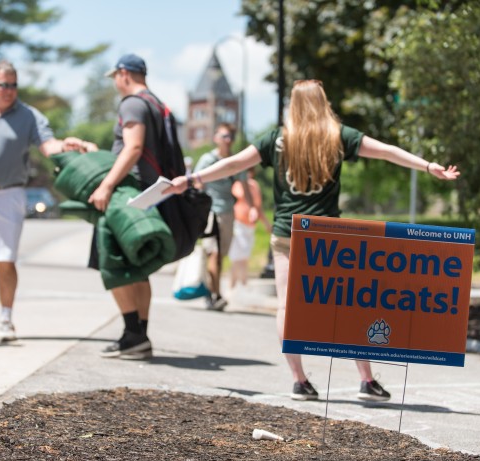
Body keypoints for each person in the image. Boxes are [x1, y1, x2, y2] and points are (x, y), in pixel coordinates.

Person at [165, 79, 460, 401]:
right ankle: (366, 380)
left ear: (293, 105)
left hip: (287, 234)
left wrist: (191, 179)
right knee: (348, 307)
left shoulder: (276, 139)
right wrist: (428, 166)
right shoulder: (338, 136)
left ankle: (300, 381)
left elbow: (234, 163)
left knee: (287, 307)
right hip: (328, 237)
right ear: (323, 103)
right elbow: (387, 152)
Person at [0, 60, 91, 343]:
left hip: (8, 193)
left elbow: (48, 145)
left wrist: (65, 146)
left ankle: (5, 319)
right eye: (4, 85)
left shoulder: (29, 116)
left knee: (5, 259)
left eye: (14, 85)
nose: (10, 90)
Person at [87, 53, 176, 360]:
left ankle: (132, 334)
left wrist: (107, 185)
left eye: (115, 76)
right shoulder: (156, 103)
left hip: (127, 194)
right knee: (138, 267)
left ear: (124, 74)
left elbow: (133, 147)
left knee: (113, 263)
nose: (115, 82)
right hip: (148, 194)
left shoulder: (132, 104)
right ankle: (138, 335)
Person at [194, 124, 257, 311]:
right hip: (210, 211)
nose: (227, 140)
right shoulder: (208, 159)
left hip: (228, 212)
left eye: (230, 136)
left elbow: (245, 185)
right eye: (224, 136)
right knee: (212, 252)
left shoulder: (236, 161)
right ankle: (215, 294)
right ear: (216, 138)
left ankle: (212, 293)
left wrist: (252, 207)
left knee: (220, 255)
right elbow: (197, 181)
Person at [228, 167, 271, 290]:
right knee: (237, 257)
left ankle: (241, 285)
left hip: (250, 225)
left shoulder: (254, 186)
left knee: (244, 257)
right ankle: (236, 285)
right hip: (237, 224)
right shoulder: (236, 185)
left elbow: (258, 207)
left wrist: (266, 224)